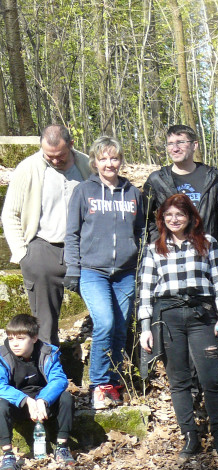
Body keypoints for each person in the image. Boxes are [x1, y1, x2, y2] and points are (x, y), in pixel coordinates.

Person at [142, 125, 218, 401]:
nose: (175, 147)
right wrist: (161, 250)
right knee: (182, 339)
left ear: (194, 145)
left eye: (181, 142)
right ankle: (193, 394)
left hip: (208, 265)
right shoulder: (157, 180)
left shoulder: (212, 177)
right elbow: (148, 226)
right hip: (174, 270)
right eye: (170, 144)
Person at [138, 194, 218, 457]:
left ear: (190, 216)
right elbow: (145, 290)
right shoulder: (154, 248)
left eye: (179, 214)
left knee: (211, 377)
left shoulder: (208, 244)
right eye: (168, 215)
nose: (174, 219)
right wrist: (145, 327)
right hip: (168, 317)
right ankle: (190, 437)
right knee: (178, 380)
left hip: (201, 315)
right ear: (162, 219)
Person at [64, 137, 145, 411]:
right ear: (94, 162)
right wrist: (73, 270)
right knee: (106, 324)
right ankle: (98, 385)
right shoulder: (84, 191)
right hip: (92, 271)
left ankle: (114, 382)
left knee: (121, 329)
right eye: (103, 159)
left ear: (121, 161)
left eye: (114, 158)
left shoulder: (133, 193)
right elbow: (72, 233)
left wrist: (139, 261)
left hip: (125, 272)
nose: (109, 163)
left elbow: (141, 231)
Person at [1, 126, 91, 345]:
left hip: (84, 249)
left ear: (71, 145)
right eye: (48, 156)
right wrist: (23, 254)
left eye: (60, 156)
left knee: (103, 309)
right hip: (43, 248)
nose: (54, 160)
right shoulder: (29, 168)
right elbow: (10, 213)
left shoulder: (87, 165)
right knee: (44, 323)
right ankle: (49, 371)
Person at [0, 314, 75, 470]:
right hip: (18, 405)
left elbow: (59, 380)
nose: (15, 344)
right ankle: (7, 455)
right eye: (11, 338)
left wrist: (43, 399)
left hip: (43, 405)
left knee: (66, 398)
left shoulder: (48, 353)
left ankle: (62, 447)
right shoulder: (3, 356)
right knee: (0, 404)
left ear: (34, 338)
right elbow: (0, 385)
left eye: (20, 338)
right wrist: (25, 400)